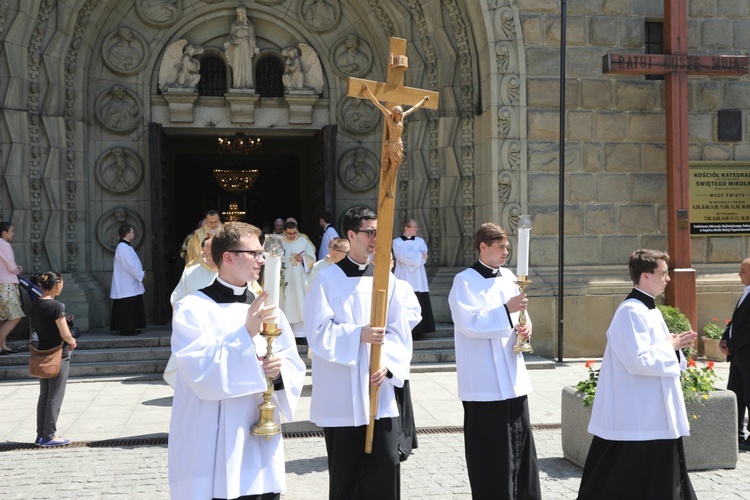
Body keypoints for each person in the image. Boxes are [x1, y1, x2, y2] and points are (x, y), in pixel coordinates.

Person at [169, 222, 305, 500]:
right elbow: (200, 373)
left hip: (259, 439)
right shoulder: (192, 309)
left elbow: (291, 361)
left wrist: (277, 374)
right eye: (253, 253)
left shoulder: (267, 307)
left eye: (262, 252)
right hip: (213, 444)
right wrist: (246, 333)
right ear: (228, 257)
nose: (262, 259)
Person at [303, 206, 413, 500]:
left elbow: (400, 332)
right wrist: (357, 335)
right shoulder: (326, 280)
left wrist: (388, 366)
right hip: (342, 394)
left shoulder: (386, 282)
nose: (376, 238)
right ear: (351, 235)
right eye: (370, 232)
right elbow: (316, 333)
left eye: (379, 232)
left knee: (386, 467)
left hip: (380, 390)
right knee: (346, 474)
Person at [577, 249, 698, 500]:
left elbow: (663, 354)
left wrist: (673, 348)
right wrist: (670, 347)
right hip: (638, 416)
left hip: (653, 413)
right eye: (663, 273)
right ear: (645, 276)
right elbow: (638, 361)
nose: (667, 279)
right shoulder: (630, 312)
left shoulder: (650, 310)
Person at [448, 222, 540, 499]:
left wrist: (525, 327)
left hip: (512, 376)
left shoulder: (510, 276)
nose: (505, 252)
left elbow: (521, 315)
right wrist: (506, 310)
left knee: (521, 445)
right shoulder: (464, 281)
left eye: (507, 248)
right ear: (483, 247)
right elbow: (469, 323)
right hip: (483, 380)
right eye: (500, 247)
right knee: (491, 451)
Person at [30, 271, 77, 447]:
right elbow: (65, 332)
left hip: (42, 352)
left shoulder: (35, 305)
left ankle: (41, 434)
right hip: (58, 353)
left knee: (44, 395)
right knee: (55, 395)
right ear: (57, 285)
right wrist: (71, 341)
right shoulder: (56, 306)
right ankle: (49, 435)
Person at [361, 84, 430, 197]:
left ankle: (390, 187)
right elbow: (377, 103)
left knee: (396, 165)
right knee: (393, 165)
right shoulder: (389, 117)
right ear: (394, 114)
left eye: (400, 113)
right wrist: (367, 91)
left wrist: (423, 100)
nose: (400, 115)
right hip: (392, 144)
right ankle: (389, 189)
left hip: (399, 144)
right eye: (398, 114)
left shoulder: (402, 117)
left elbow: (414, 108)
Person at [720, 257, 750, 451]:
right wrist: (724, 337)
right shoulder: (746, 292)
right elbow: (736, 322)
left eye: (743, 271)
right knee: (735, 394)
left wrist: (731, 344)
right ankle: (736, 434)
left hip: (746, 355)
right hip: (738, 356)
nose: (739, 274)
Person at [392, 218, 435, 339]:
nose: (416, 229)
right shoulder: (397, 242)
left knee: (420, 301)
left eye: (416, 226)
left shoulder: (420, 241)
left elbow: (425, 256)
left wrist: (415, 259)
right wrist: (418, 257)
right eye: (414, 227)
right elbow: (401, 256)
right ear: (406, 228)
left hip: (418, 277)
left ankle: (420, 330)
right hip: (404, 275)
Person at [276, 221, 315, 342]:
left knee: (300, 304)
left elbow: (312, 257)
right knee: (286, 305)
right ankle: (286, 335)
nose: (292, 236)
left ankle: (300, 335)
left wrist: (302, 259)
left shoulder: (303, 241)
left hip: (299, 279)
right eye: (289, 233)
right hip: (285, 280)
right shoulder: (279, 242)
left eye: (294, 233)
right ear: (284, 232)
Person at [109, 224, 146, 336]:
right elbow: (129, 264)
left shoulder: (126, 247)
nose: (134, 234)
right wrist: (140, 274)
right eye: (132, 231)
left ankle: (131, 327)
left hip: (130, 282)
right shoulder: (122, 247)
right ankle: (126, 329)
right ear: (127, 234)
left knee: (131, 306)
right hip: (126, 283)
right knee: (127, 307)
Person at [0, 222, 23, 354]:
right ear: (4, 232)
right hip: (6, 284)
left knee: (2, 317)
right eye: (11, 231)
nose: (13, 233)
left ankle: (2, 346)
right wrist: (17, 269)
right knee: (15, 316)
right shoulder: (4, 244)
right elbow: (10, 265)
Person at [224, 6, 259, 89]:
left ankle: (246, 83)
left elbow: (252, 36)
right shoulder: (234, 23)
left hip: (245, 44)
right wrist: (227, 42)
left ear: (244, 13)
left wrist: (255, 47)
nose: (239, 14)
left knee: (246, 63)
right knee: (237, 63)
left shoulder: (249, 24)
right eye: (238, 12)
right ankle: (238, 83)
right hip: (236, 45)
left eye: (241, 12)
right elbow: (231, 35)